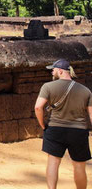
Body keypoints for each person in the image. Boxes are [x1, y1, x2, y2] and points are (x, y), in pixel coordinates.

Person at [34, 59, 92, 189]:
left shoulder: (48, 86)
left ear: (60, 71)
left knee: (53, 162)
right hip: (79, 131)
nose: (52, 72)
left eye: (53, 70)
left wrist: (43, 125)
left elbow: (38, 107)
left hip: (55, 129)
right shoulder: (86, 91)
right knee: (79, 165)